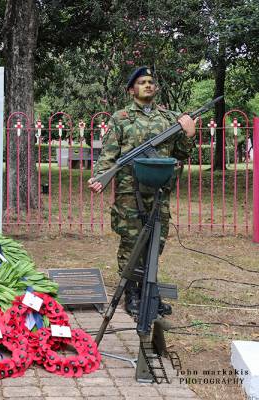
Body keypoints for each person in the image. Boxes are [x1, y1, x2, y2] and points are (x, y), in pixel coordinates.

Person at [88, 66, 196, 316]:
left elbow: (180, 153)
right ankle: (132, 294)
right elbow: (109, 154)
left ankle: (150, 291)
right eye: (142, 82)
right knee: (132, 243)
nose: (148, 85)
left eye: (150, 82)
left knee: (155, 243)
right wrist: (99, 178)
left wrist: (189, 133)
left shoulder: (170, 119)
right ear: (131, 90)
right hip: (129, 192)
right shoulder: (121, 118)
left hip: (159, 192)